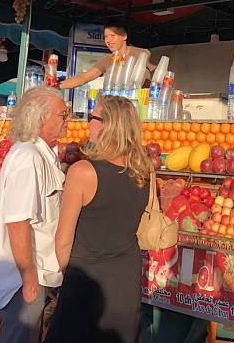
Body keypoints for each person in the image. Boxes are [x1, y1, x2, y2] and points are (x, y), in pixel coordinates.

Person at [45, 95, 151, 343]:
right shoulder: (142, 171)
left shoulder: (83, 172)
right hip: (126, 279)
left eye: (92, 117)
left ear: (106, 125)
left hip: (88, 282)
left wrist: (65, 283)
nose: (87, 122)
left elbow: (63, 242)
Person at [0, 86, 68, 343]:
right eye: (62, 115)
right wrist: (28, 276)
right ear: (41, 118)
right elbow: (17, 221)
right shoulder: (29, 158)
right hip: (23, 280)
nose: (68, 119)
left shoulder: (42, 154)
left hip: (34, 275)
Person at [58, 23, 156, 90]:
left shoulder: (141, 54)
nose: (108, 40)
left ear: (124, 36)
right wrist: (57, 86)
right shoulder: (107, 60)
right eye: (106, 37)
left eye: (112, 36)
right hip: (119, 108)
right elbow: (83, 78)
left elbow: (157, 76)